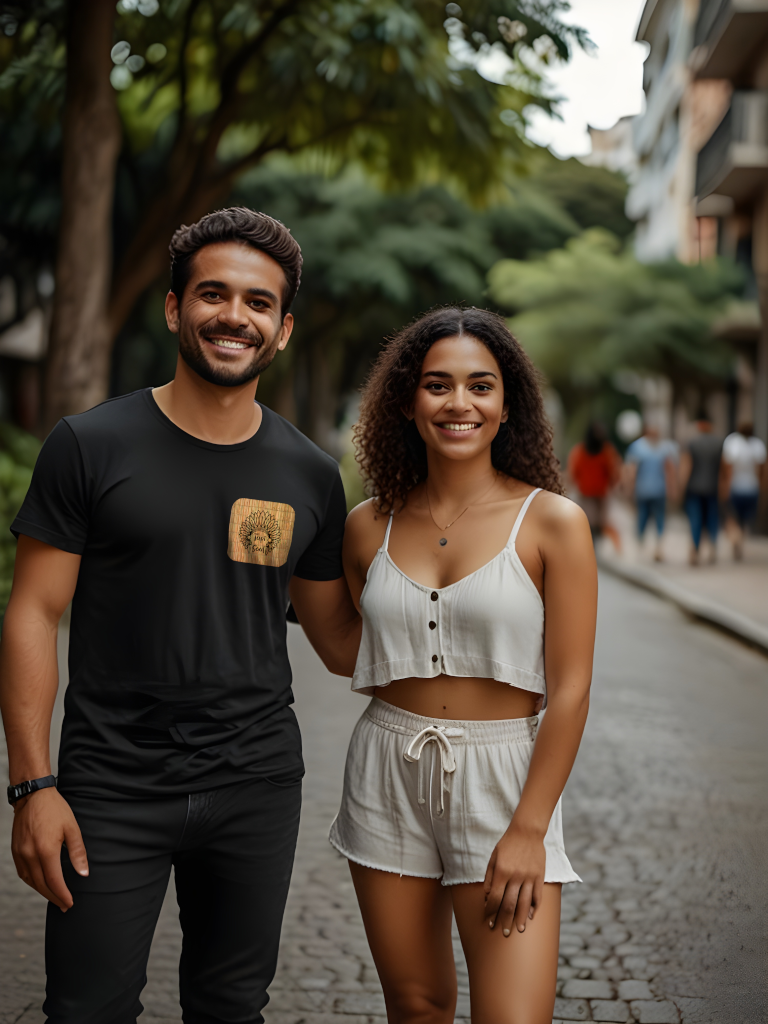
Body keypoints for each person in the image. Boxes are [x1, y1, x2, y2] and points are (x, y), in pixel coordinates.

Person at [0, 208, 361, 1024]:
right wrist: (32, 785)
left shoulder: (309, 474)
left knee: (232, 1009)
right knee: (86, 1010)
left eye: (258, 303)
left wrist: (457, 584)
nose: (235, 315)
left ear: (284, 329)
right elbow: (32, 612)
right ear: (174, 309)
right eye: (214, 294)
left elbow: (339, 641)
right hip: (110, 787)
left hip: (255, 785)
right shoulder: (89, 446)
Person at [329, 307, 596, 1024]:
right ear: (408, 402)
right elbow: (349, 650)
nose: (458, 404)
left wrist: (529, 829)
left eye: (480, 386)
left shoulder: (552, 523)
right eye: (437, 385)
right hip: (387, 765)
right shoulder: (366, 525)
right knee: (415, 1006)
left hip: (504, 780)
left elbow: (570, 691)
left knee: (514, 1016)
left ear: (507, 403)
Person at [624, 424, 678, 562]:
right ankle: (649, 544)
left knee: (648, 517)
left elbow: (669, 470)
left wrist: (629, 489)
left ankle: (650, 545)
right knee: (649, 517)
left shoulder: (639, 447)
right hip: (650, 490)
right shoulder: (663, 448)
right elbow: (632, 471)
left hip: (650, 490)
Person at [566, 420, 622, 552]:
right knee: (588, 522)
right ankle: (591, 547)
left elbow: (613, 471)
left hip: (601, 495)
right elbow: (574, 472)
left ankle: (598, 547)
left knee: (600, 523)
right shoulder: (580, 451)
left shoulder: (607, 451)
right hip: (586, 494)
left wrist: (613, 486)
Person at [679, 413, 723, 565]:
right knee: (712, 518)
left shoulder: (692, 443)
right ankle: (712, 546)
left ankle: (695, 550)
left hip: (694, 488)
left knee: (695, 520)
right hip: (712, 487)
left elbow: (686, 467)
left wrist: (681, 488)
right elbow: (724, 469)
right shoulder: (719, 443)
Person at [722, 421, 767, 560]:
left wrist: (725, 487)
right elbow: (761, 470)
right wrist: (762, 488)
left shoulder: (732, 442)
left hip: (736, 487)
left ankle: (736, 537)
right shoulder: (758, 445)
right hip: (751, 488)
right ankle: (740, 536)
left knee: (732, 516)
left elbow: (727, 468)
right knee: (745, 519)